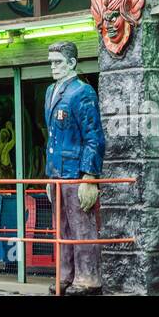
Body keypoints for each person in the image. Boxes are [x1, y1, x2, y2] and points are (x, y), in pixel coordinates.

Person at [44, 40, 105, 294]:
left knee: (82, 227)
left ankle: (88, 277)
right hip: (57, 172)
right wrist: (49, 175)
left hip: (76, 172)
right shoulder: (50, 91)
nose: (53, 67)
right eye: (51, 62)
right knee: (63, 228)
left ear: (72, 63)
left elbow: (94, 136)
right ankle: (66, 275)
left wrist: (90, 175)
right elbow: (51, 136)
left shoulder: (83, 92)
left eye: (58, 62)